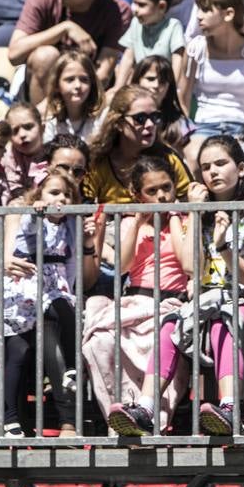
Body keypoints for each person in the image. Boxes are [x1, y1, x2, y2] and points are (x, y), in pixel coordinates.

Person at [108, 136, 244, 436]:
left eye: (221, 164)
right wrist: (196, 215)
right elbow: (191, 267)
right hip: (204, 299)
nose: (213, 172)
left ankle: (229, 408)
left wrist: (223, 246)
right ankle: (146, 409)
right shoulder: (200, 208)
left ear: (241, 168)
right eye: (206, 167)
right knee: (169, 324)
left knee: (224, 320)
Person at [0, 171, 99, 437]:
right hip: (22, 290)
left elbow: (72, 264)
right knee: (16, 352)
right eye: (53, 193)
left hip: (53, 287)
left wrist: (87, 243)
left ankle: (70, 379)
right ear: (38, 195)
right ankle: (8, 419)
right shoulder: (29, 215)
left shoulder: (71, 223)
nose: (60, 199)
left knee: (63, 310)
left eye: (66, 194)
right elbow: (26, 230)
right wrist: (36, 212)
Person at [95, 157, 194, 436]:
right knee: (100, 340)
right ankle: (122, 415)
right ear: (136, 194)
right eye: (152, 191)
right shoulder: (131, 224)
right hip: (136, 301)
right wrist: (139, 221)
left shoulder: (186, 219)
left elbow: (187, 263)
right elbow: (123, 266)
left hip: (171, 302)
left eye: (166, 187)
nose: (162, 195)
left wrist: (173, 217)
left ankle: (152, 418)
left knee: (161, 338)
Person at [9, 0, 132, 103]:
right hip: (41, 92)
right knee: (45, 56)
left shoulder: (117, 10)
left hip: (86, 93)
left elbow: (103, 75)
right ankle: (42, 124)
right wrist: (64, 28)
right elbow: (14, 54)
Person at [180, 0, 244, 168]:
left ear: (228, 14)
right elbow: (183, 94)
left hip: (242, 125)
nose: (198, 16)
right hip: (204, 125)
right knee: (194, 158)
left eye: (205, 10)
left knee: (240, 162)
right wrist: (185, 132)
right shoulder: (196, 49)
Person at [85, 86, 192, 204]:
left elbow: (190, 199)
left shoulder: (169, 159)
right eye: (140, 118)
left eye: (154, 117)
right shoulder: (97, 163)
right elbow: (83, 207)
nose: (150, 124)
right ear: (119, 123)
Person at [113, 0, 186, 88]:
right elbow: (128, 57)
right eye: (134, 3)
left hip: (161, 86)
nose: (135, 9)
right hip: (139, 85)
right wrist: (117, 87)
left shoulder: (173, 26)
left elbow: (178, 60)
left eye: (141, 5)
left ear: (161, 6)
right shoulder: (136, 24)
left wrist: (173, 89)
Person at [40, 51, 104, 143]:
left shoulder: (101, 119)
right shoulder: (50, 122)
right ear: (57, 85)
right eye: (70, 80)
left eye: (84, 80)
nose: (78, 85)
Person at [131, 55, 192, 148]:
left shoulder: (179, 123)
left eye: (163, 81)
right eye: (150, 79)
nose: (156, 85)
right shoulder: (121, 112)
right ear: (137, 81)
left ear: (169, 87)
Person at [0, 102, 47, 203]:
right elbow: (14, 190)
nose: (22, 134)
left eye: (28, 127)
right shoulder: (6, 158)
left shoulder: (52, 153)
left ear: (42, 128)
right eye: (15, 131)